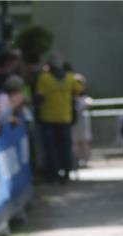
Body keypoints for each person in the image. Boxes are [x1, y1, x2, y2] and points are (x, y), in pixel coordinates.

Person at [34, 53, 83, 183]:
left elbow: (39, 96)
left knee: (51, 148)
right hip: (64, 118)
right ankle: (66, 173)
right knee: (65, 147)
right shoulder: (69, 77)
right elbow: (79, 90)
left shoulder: (44, 78)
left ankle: (53, 174)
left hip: (48, 118)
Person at [72, 75, 92, 169]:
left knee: (84, 142)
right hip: (73, 122)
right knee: (74, 142)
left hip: (83, 122)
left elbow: (88, 103)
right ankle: (76, 161)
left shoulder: (85, 98)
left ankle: (85, 161)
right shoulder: (71, 98)